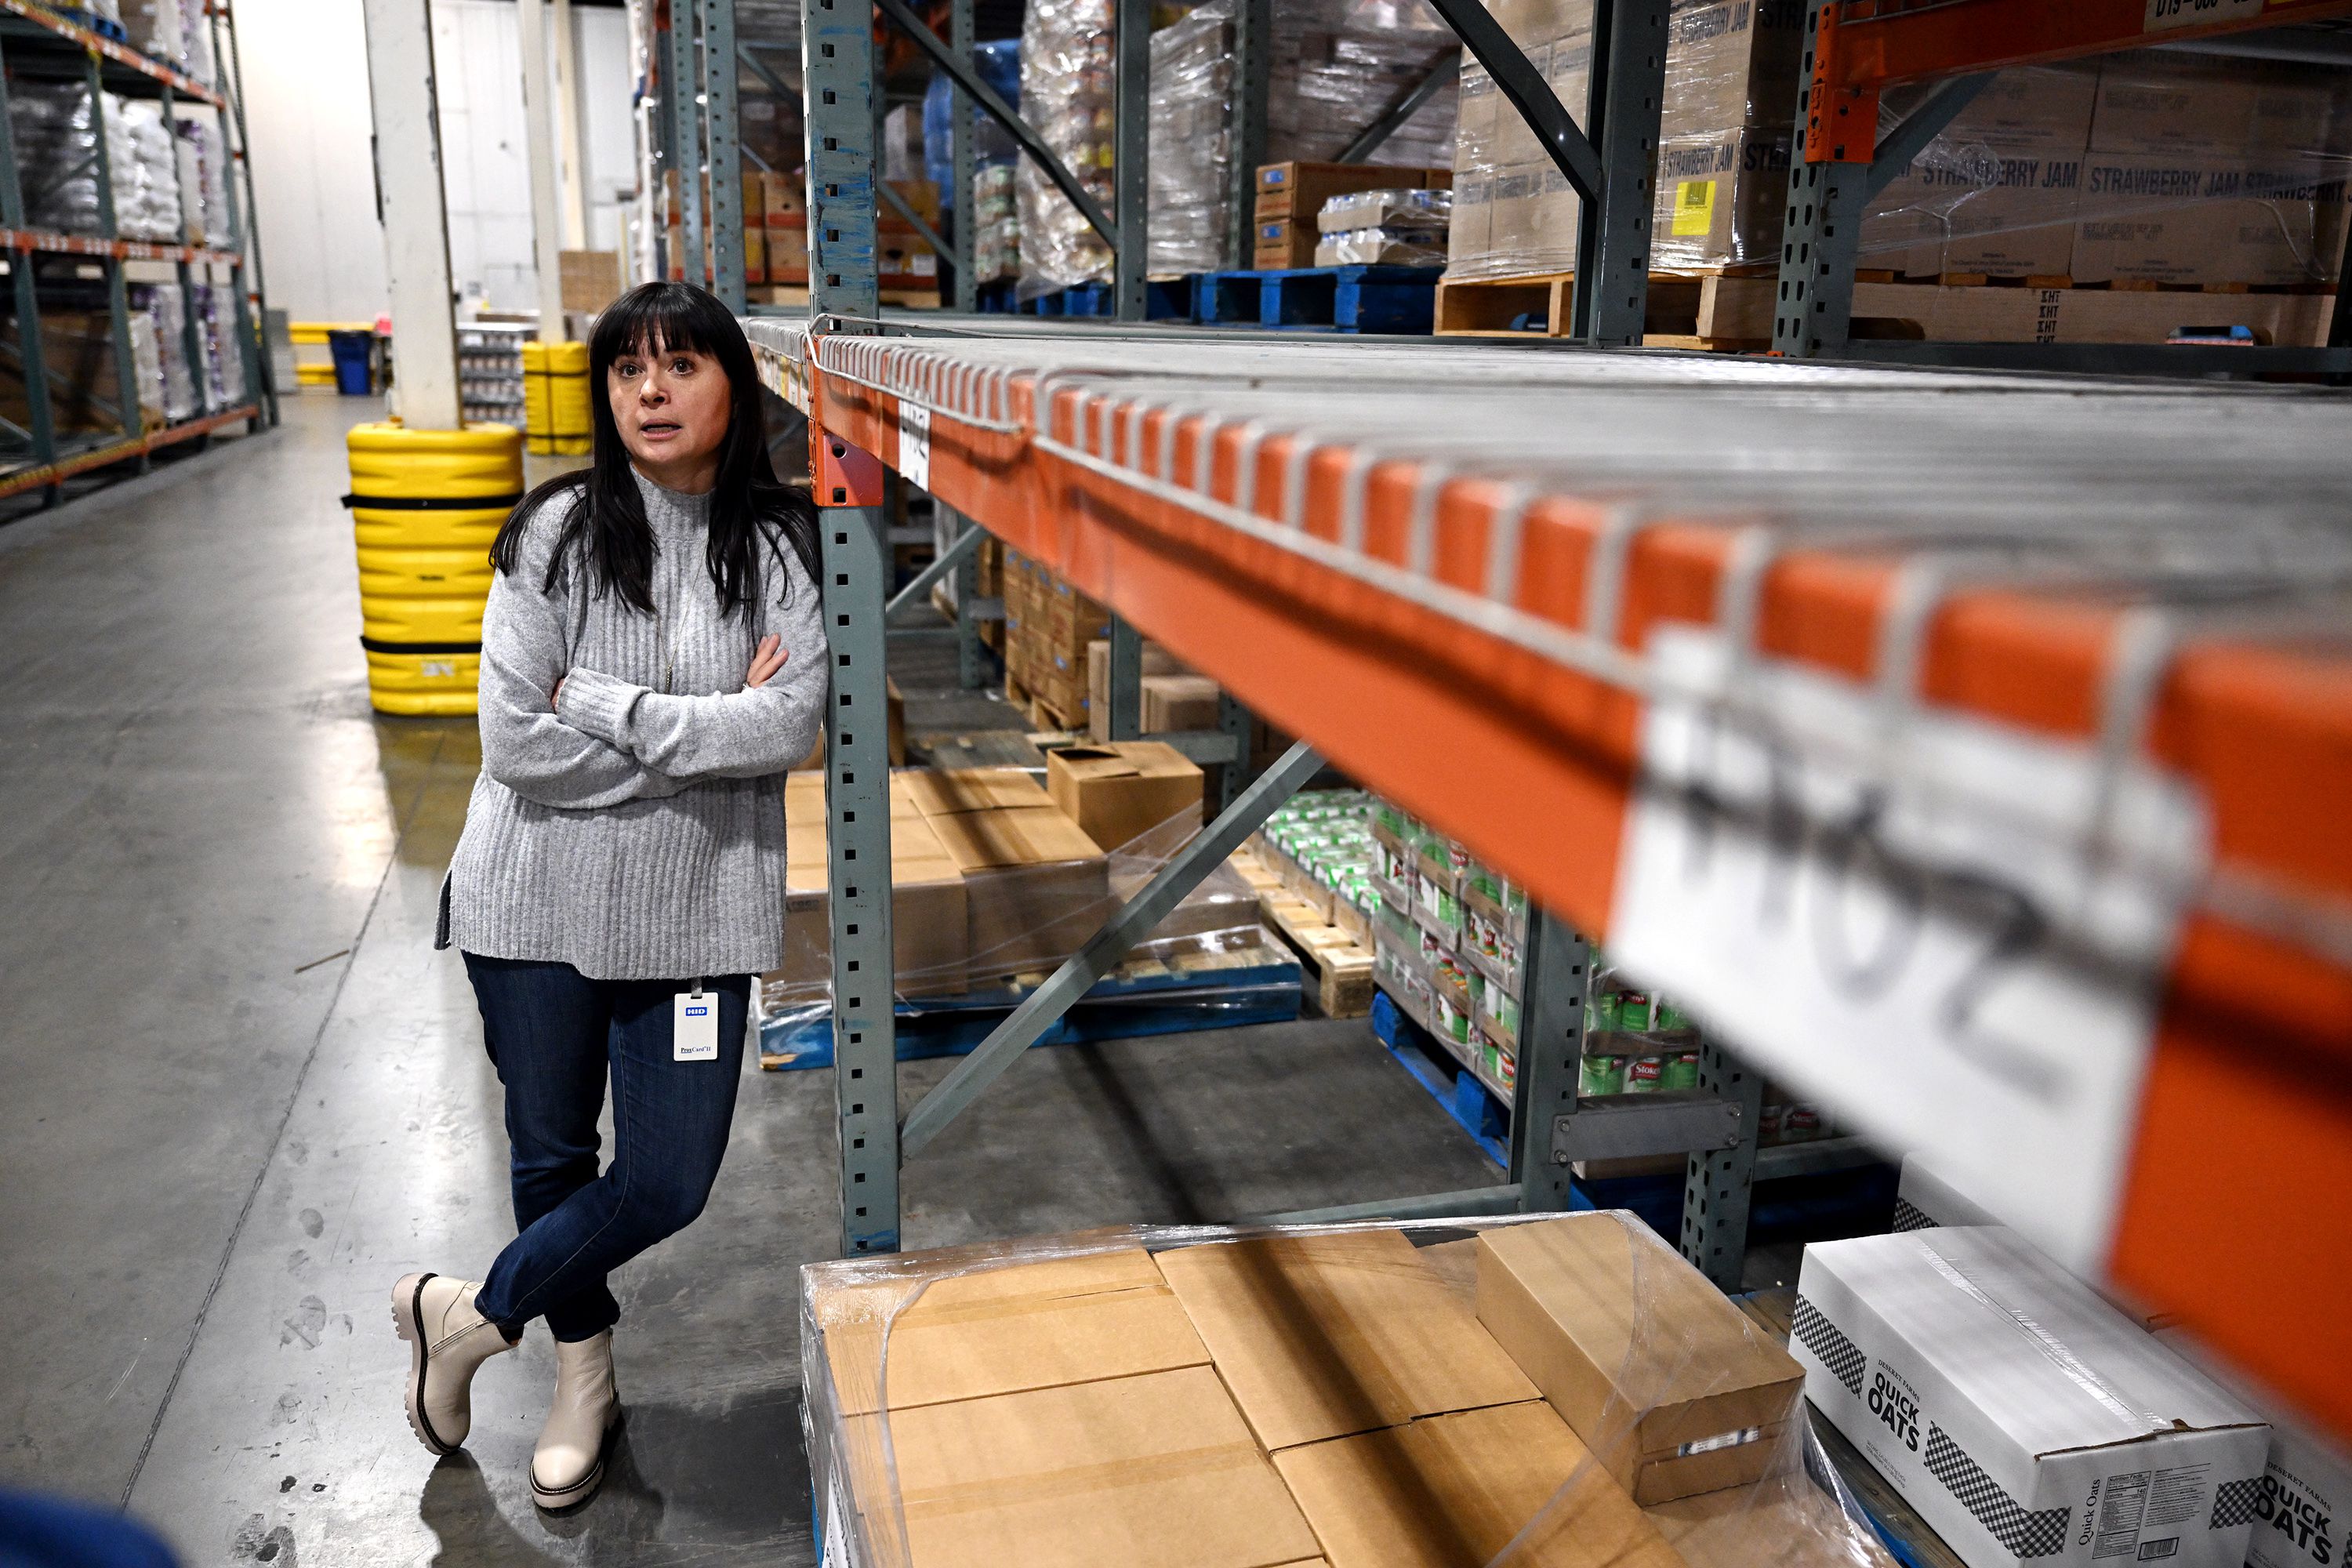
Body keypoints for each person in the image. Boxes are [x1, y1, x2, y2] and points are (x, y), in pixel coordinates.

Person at [393, 282, 826, 1512]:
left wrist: (605, 704)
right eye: (628, 369)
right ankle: (586, 1384)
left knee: (668, 1179)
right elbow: (512, 744)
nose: (651, 389)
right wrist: (703, 736)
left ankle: (469, 1318)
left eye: (682, 364)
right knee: (552, 1152)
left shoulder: (783, 548)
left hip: (693, 917)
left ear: (734, 386)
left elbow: (788, 726)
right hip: (531, 903)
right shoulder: (554, 536)